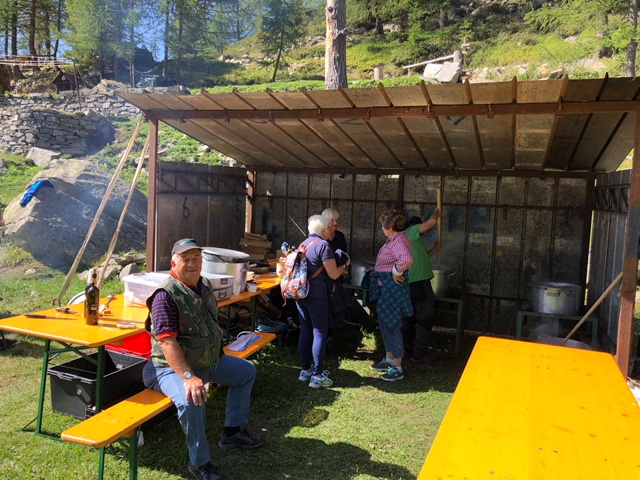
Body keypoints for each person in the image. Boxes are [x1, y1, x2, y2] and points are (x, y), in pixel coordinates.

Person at [143, 238, 263, 480]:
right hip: (170, 369)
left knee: (246, 372)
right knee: (192, 400)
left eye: (196, 258)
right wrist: (188, 377)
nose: (192, 264)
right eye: (185, 259)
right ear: (173, 263)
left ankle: (232, 432)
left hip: (206, 362)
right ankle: (200, 464)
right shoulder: (165, 296)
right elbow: (167, 342)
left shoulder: (204, 285)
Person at [296, 214, 348, 388]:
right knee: (319, 333)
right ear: (324, 229)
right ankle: (317, 376)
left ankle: (306, 370)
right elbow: (333, 274)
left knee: (305, 330)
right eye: (329, 228)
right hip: (317, 295)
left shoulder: (303, 244)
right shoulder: (323, 246)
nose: (331, 231)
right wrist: (344, 265)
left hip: (301, 293)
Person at [369, 210, 414, 382]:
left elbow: (407, 259)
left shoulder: (398, 241)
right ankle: (389, 360)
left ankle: (397, 367)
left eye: (383, 225)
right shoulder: (395, 239)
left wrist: (396, 271)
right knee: (385, 323)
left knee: (393, 325)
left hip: (392, 289)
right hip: (386, 287)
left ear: (390, 227)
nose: (381, 228)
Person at [402, 211, 441, 363]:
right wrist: (437, 213)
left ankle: (407, 347)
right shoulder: (412, 232)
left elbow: (421, 256)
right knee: (425, 318)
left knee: (409, 317)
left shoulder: (405, 239)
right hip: (419, 282)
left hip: (407, 284)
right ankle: (419, 353)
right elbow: (431, 223)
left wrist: (435, 249)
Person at [322, 207, 349, 330]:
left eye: (337, 220)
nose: (335, 223)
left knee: (337, 300)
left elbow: (345, 255)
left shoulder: (340, 236)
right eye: (332, 220)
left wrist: (344, 266)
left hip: (338, 274)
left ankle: (336, 327)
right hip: (324, 276)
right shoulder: (320, 238)